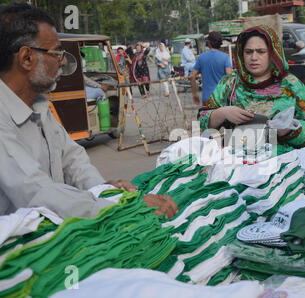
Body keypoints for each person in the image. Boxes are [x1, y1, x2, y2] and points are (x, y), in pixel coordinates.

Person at [0, 2, 178, 219]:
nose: (63, 61)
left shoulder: (39, 106)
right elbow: (36, 191)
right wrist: (117, 208)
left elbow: (73, 159)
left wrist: (105, 191)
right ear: (26, 58)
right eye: (56, 52)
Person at [197, 25, 305, 149]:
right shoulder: (229, 83)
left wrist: (291, 129)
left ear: (272, 54)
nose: (253, 57)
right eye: (248, 52)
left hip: (282, 165)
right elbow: (202, 120)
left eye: (261, 52)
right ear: (241, 54)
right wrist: (222, 113)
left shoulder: (290, 84)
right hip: (235, 163)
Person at [191, 31, 233, 105]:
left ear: (209, 42)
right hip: (222, 99)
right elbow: (229, 77)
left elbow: (192, 76)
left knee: (207, 116)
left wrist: (194, 94)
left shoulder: (201, 57)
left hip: (207, 99)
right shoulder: (225, 57)